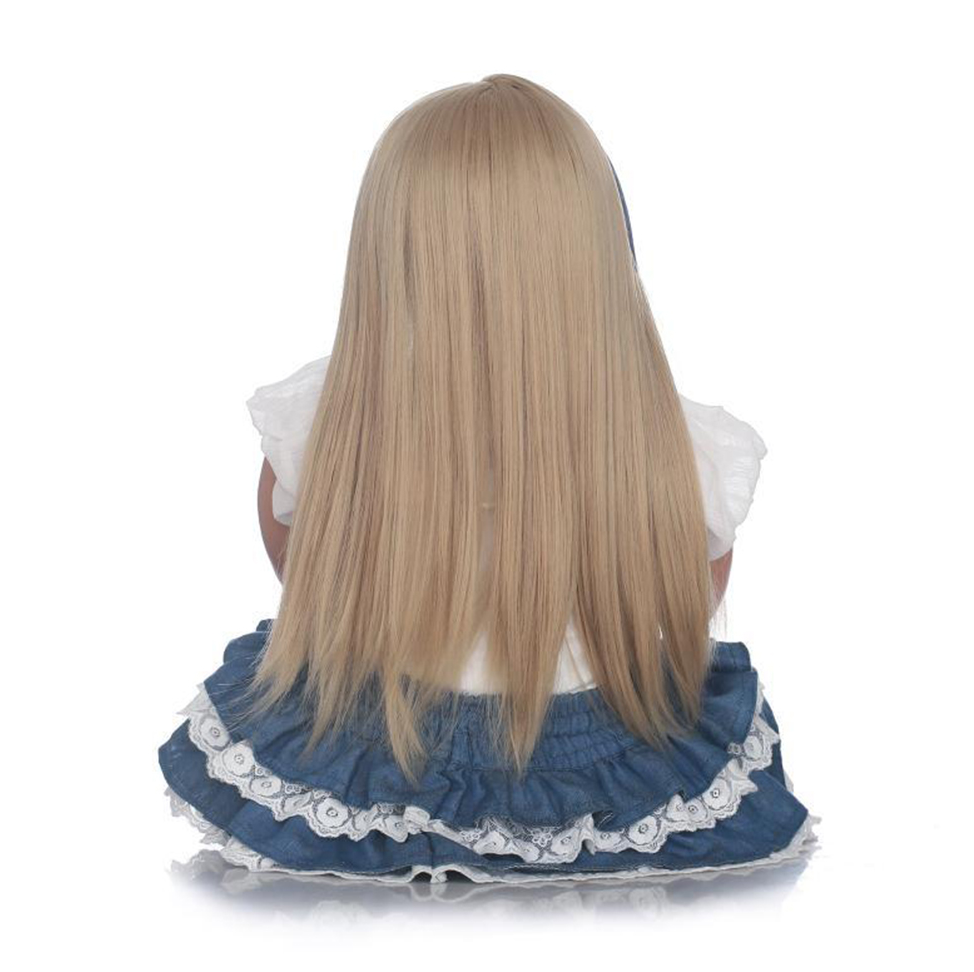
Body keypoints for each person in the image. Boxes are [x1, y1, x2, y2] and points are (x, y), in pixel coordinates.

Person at [158, 73, 819, 884]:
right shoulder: (686, 455)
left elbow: (308, 586)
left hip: (366, 766)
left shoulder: (318, 432)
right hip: (616, 787)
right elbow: (678, 622)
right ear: (599, 248)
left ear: (385, 255)